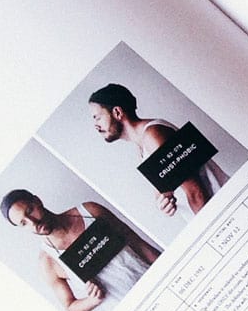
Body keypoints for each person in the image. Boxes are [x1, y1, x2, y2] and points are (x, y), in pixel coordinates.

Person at [0, 190, 160, 311]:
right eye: (23, 223)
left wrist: (165, 266)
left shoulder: (90, 211)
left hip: (155, 283)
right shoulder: (48, 261)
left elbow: (135, 240)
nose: (33, 222)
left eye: (30, 211)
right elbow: (70, 305)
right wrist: (93, 300)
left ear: (37, 201)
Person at [87, 83, 229, 216]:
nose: (95, 126)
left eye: (97, 118)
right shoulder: (142, 145)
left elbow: (196, 192)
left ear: (117, 112)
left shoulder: (153, 135)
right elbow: (168, 190)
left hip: (220, 210)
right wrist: (162, 202)